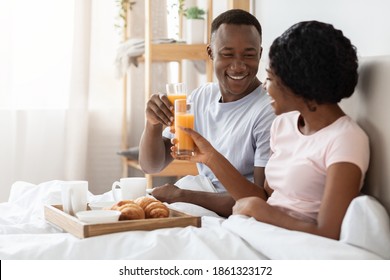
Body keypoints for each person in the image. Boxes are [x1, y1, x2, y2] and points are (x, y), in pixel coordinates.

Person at [174, 20, 370, 240]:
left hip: (290, 240)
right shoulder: (284, 125)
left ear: (298, 83)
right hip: (256, 228)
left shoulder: (346, 139)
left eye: (270, 78)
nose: (265, 87)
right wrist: (209, 156)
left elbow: (327, 232)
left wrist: (262, 211)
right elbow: (266, 196)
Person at [138, 9, 275, 217]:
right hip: (197, 195)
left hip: (229, 210)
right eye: (227, 54)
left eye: (249, 55)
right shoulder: (201, 96)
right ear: (210, 53)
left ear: (260, 53)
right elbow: (152, 165)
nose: (238, 66)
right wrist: (153, 125)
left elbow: (259, 201)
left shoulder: (267, 111)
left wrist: (181, 195)